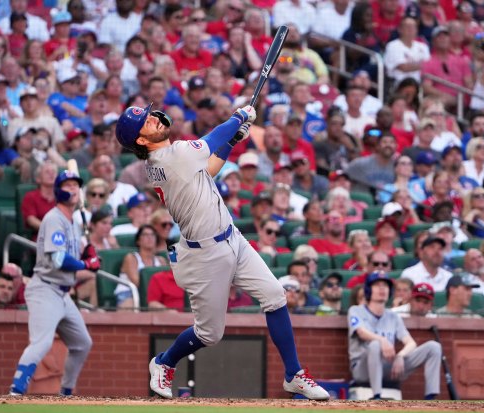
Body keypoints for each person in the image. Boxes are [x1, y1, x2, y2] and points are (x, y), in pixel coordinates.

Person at [114, 103, 329, 399]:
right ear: (140, 141)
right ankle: (164, 363)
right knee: (209, 335)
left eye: (150, 114)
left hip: (232, 238)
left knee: (275, 295)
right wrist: (238, 117)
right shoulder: (171, 156)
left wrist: (232, 140)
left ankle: (294, 374)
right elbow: (211, 140)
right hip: (205, 254)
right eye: (146, 122)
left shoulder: (173, 157)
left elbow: (210, 168)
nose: (153, 118)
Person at [9, 170, 98, 396]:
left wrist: (87, 252)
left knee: (82, 343)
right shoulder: (53, 218)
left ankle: (66, 392)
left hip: (62, 293)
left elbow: (74, 254)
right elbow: (59, 260)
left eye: (75, 185)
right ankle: (15, 392)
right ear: (58, 191)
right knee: (41, 343)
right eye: (67, 185)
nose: (73, 189)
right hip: (45, 288)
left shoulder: (73, 223)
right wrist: (86, 265)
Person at [347, 272, 442, 400]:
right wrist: (382, 340)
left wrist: (400, 356)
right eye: (377, 285)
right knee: (375, 345)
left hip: (387, 368)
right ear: (369, 289)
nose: (382, 289)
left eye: (385, 286)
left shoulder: (393, 316)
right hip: (362, 369)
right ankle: (377, 396)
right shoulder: (356, 310)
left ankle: (430, 398)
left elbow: (411, 343)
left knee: (433, 347)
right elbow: (361, 332)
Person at [115, 224, 165, 310]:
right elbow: (138, 282)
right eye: (145, 235)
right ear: (138, 241)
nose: (150, 238)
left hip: (154, 295)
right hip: (130, 293)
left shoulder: (161, 260)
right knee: (130, 305)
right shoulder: (131, 258)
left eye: (152, 235)